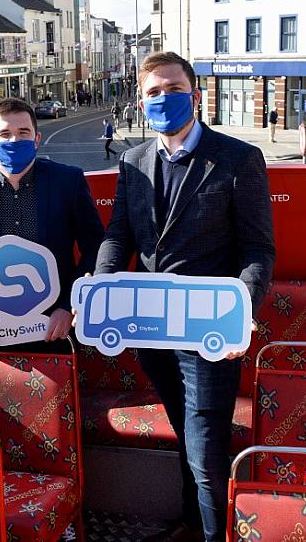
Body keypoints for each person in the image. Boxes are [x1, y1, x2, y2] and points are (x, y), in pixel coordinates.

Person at [93, 51, 275, 541]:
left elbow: (257, 248)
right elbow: (119, 237)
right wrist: (100, 289)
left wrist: (244, 312)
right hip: (151, 329)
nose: (165, 98)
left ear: (195, 94)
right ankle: (190, 524)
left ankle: (217, 534)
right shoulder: (133, 162)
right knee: (183, 435)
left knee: (205, 450)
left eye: (174, 89)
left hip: (208, 330)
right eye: (154, 91)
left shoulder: (238, 158)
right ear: (140, 100)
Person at [0, 98, 104, 351]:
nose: (14, 141)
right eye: (4, 134)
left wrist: (68, 306)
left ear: (36, 139)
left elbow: (95, 246)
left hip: (55, 326)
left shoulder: (68, 180)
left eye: (23, 133)